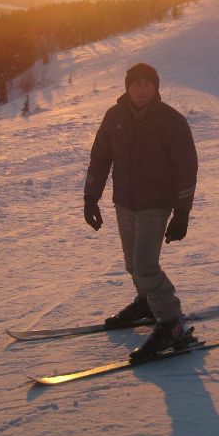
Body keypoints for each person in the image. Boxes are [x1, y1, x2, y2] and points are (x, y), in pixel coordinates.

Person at [83, 62, 198, 360]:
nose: (142, 88)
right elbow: (99, 158)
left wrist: (181, 212)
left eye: (148, 83)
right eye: (137, 83)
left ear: (156, 86)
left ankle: (172, 322)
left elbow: (186, 169)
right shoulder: (114, 116)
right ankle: (146, 302)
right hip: (125, 202)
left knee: (146, 265)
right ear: (127, 87)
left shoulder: (172, 121)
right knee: (133, 264)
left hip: (156, 204)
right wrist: (90, 198)